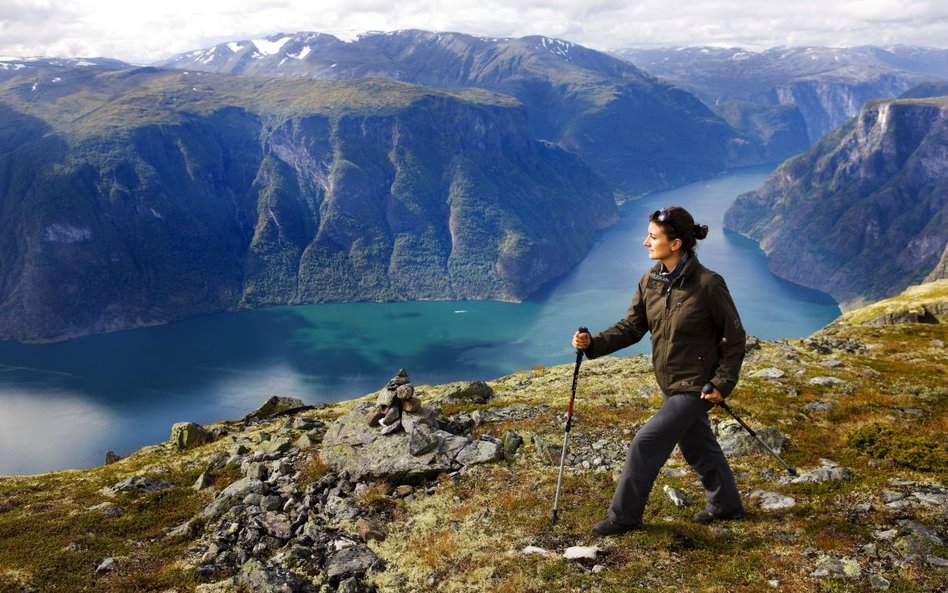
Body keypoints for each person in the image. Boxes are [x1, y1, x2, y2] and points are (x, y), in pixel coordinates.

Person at [572, 206, 746, 535]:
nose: (645, 243)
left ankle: (624, 517)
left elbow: (734, 338)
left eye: (653, 237)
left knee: (645, 443)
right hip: (670, 383)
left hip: (696, 386)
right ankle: (726, 504)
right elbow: (632, 327)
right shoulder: (651, 280)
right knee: (697, 445)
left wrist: (722, 382)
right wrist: (592, 344)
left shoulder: (708, 285)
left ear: (676, 243)